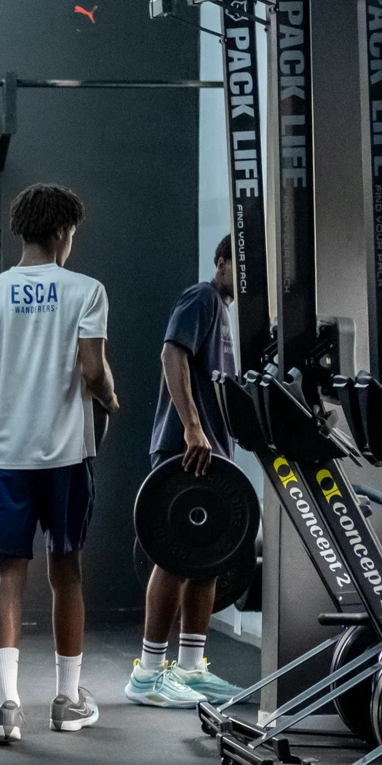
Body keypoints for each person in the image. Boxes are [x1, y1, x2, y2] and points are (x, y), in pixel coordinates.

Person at [0, 184, 119, 743]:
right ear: (61, 232)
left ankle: (6, 708)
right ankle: (67, 702)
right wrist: (110, 398)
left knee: (9, 573)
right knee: (66, 570)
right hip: (66, 456)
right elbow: (93, 370)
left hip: (7, 455)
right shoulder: (86, 290)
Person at [127, 233, 245, 707]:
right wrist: (193, 427)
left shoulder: (226, 314)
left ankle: (192, 669)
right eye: (240, 264)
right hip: (186, 448)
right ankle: (147, 674)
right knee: (175, 557)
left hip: (213, 454)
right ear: (221, 262)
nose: (247, 276)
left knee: (207, 560)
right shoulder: (202, 298)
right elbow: (171, 353)